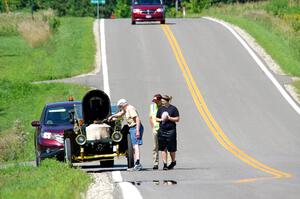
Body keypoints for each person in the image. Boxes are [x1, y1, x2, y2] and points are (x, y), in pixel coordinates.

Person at [108, 99, 144, 171]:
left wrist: (137, 131)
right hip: (132, 128)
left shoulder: (130, 109)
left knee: (135, 146)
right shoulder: (126, 109)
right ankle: (136, 164)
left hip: (135, 127)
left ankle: (138, 164)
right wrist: (112, 116)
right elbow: (121, 114)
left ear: (123, 105)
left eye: (120, 107)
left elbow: (137, 119)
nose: (120, 108)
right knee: (134, 146)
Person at [156, 95, 180, 170]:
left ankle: (173, 161)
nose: (162, 102)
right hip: (162, 130)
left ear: (167, 101)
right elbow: (157, 118)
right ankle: (165, 164)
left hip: (171, 130)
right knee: (163, 148)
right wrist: (162, 119)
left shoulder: (173, 109)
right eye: (161, 101)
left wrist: (169, 118)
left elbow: (177, 119)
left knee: (171, 148)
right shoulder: (160, 109)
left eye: (163, 101)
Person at [149, 94, 171, 170]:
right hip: (156, 128)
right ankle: (155, 163)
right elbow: (151, 118)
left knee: (165, 146)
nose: (154, 102)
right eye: (154, 101)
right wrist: (153, 127)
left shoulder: (164, 107)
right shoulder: (152, 107)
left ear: (159, 100)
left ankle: (168, 163)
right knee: (155, 147)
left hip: (164, 128)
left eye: (156, 101)